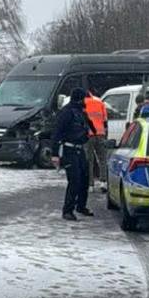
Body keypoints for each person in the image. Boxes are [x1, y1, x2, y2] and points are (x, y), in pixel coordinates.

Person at [52, 88, 94, 221]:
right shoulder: (66, 112)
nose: (85, 102)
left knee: (85, 178)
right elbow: (57, 133)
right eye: (84, 99)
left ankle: (81, 206)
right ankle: (67, 210)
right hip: (69, 150)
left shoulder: (80, 111)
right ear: (79, 99)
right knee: (74, 180)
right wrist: (55, 154)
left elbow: (89, 126)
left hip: (79, 149)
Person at [84, 90, 109, 192]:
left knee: (89, 161)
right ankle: (103, 182)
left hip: (88, 135)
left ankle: (90, 185)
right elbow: (105, 120)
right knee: (102, 159)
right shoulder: (100, 103)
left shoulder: (82, 104)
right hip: (100, 134)